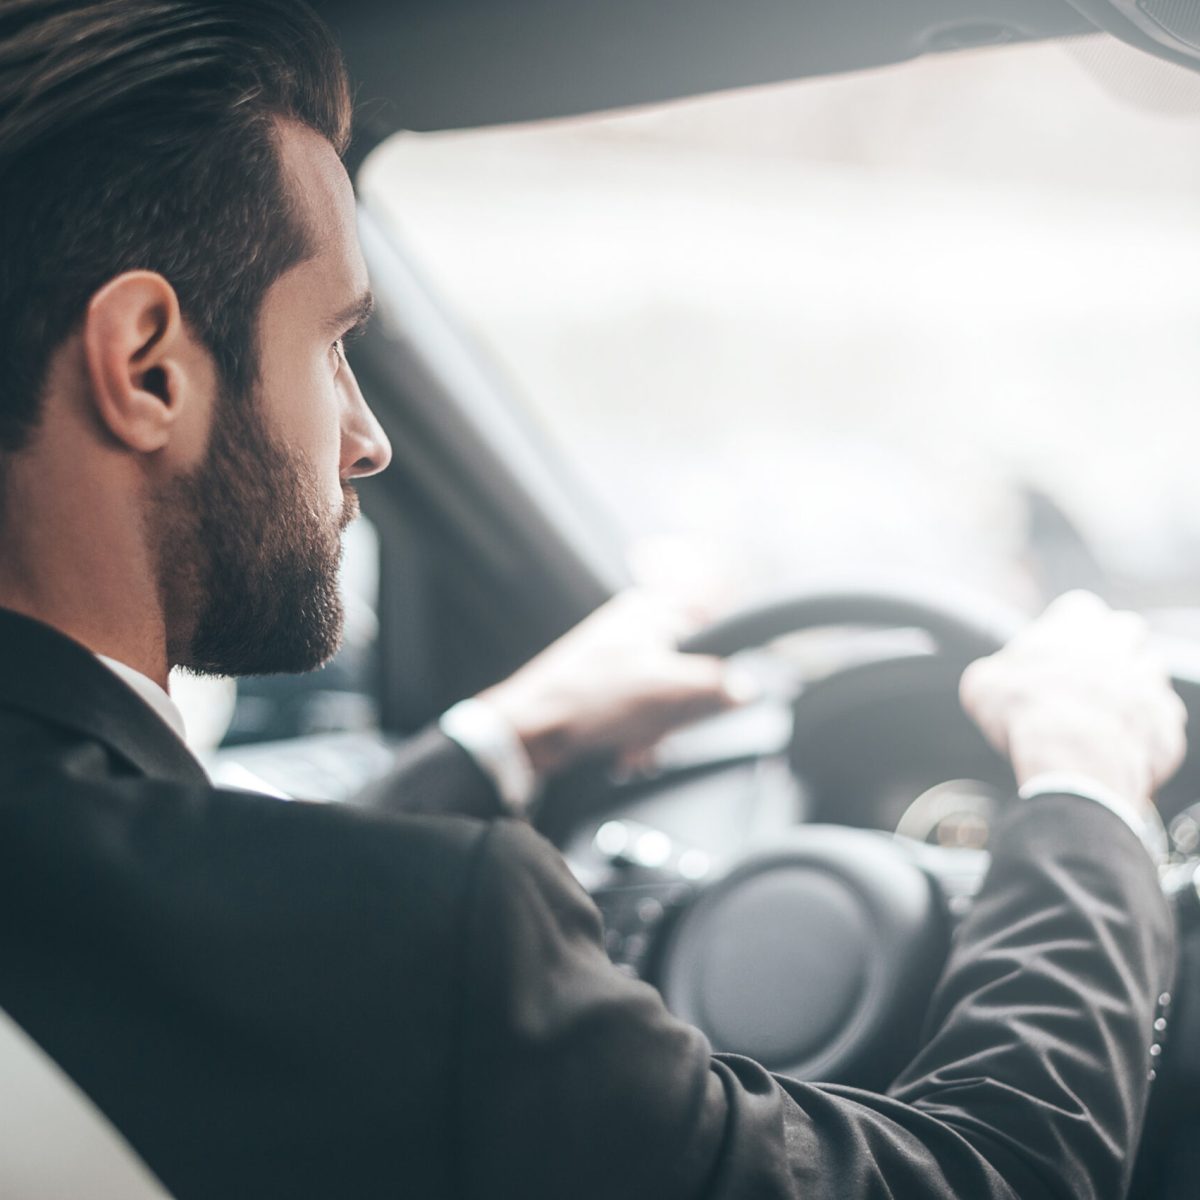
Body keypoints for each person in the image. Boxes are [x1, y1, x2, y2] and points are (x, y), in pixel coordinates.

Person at [0, 3, 1184, 1198]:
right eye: (335, 346)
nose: (367, 439)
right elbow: (994, 1175)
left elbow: (220, 943)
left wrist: (506, 738)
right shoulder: (439, 940)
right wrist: (1088, 793)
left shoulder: (93, 884)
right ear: (147, 365)